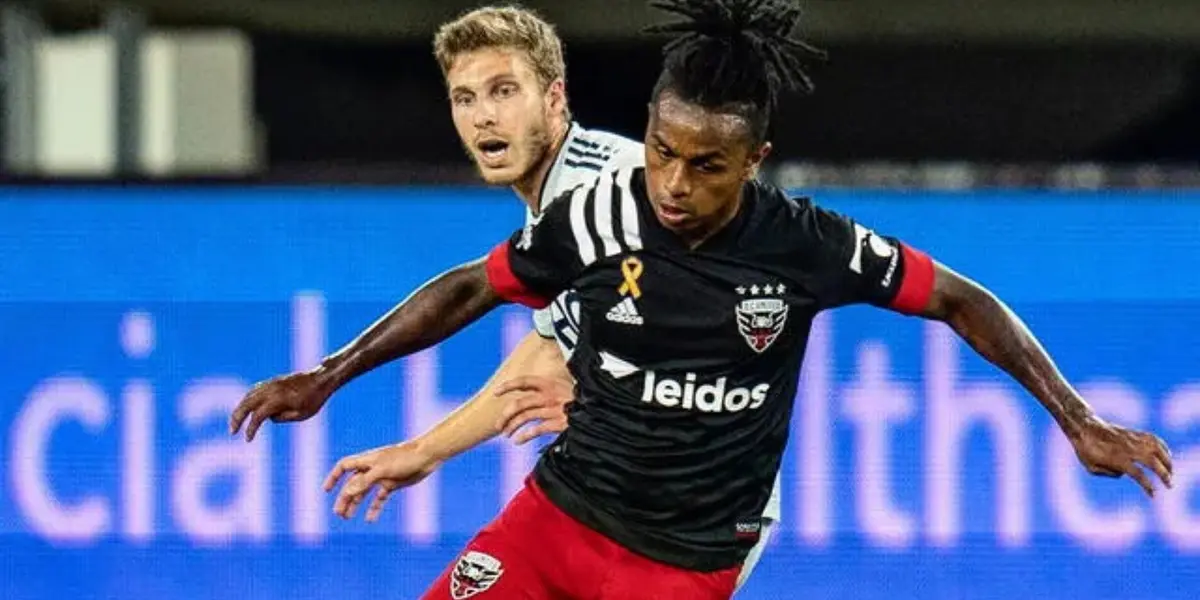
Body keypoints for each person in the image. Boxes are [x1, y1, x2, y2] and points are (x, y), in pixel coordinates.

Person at [272, 0, 1175, 597]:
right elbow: (475, 288)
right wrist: (328, 374)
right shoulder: (601, 211)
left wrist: (1076, 418)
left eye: (705, 165)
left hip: (685, 559)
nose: (670, 182)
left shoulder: (807, 244)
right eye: (662, 150)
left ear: (753, 161)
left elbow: (963, 300)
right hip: (558, 515)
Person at [228, 3, 783, 592]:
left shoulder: (621, 183)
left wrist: (629, 396)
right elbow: (544, 353)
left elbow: (742, 302)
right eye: (464, 98)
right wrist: (424, 451)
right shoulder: (555, 216)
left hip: (697, 516)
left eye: (503, 91)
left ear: (553, 97)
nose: (484, 117)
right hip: (599, 497)